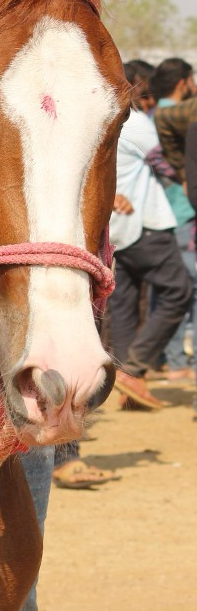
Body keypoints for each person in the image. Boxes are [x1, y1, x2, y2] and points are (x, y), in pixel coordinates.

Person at [109, 97, 192, 408]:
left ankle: (131, 390)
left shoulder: (102, 123)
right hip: (146, 223)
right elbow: (164, 163)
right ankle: (136, 367)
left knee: (124, 304)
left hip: (117, 226)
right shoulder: (136, 122)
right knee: (178, 290)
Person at [150, 59, 197, 380]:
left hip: (168, 211)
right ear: (183, 82)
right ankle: (179, 360)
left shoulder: (156, 116)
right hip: (181, 210)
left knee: (171, 286)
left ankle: (174, 358)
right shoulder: (176, 114)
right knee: (184, 287)